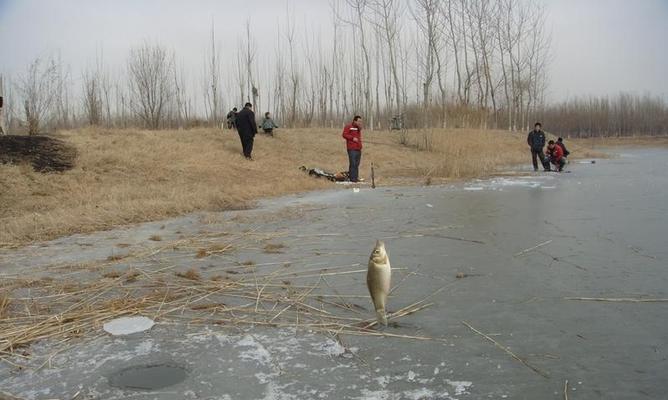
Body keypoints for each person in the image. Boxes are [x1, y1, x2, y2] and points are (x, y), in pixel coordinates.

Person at [342, 115, 363, 182]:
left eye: (361, 121)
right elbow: (344, 135)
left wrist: (359, 127)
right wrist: (352, 138)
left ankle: (355, 178)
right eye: (359, 121)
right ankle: (352, 179)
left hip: (358, 148)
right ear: (355, 121)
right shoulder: (348, 126)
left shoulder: (358, 128)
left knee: (357, 164)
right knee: (353, 163)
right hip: (351, 148)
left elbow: (359, 132)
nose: (360, 122)